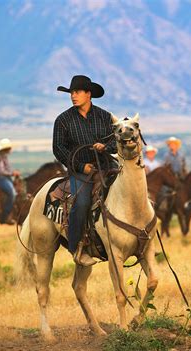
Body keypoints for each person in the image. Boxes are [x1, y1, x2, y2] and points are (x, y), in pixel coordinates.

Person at [52, 75, 116, 266]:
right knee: (81, 202)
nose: (73, 96)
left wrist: (105, 147)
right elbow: (59, 149)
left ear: (89, 94)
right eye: (71, 92)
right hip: (80, 170)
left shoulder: (105, 116)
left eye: (77, 92)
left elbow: (115, 140)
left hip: (106, 166)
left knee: (131, 188)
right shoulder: (63, 120)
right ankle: (76, 247)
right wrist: (81, 166)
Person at [0, 138, 20, 225]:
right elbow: (1, 171)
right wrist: (12, 173)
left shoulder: (3, 157)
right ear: (6, 149)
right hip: (1, 179)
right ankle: (5, 216)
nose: (11, 149)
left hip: (5, 178)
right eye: (9, 148)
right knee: (12, 193)